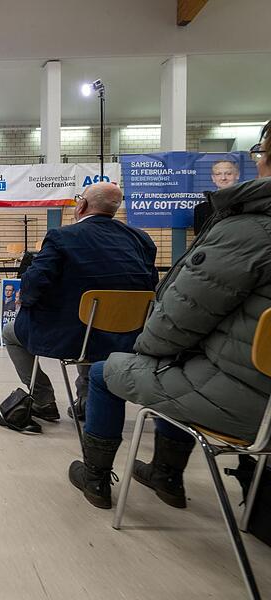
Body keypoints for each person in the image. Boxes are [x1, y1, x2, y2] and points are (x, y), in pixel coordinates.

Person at [68, 126, 271, 511]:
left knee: (108, 371)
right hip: (254, 387)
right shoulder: (141, 239)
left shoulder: (247, 231)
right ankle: (163, 473)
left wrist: (143, 348)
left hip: (247, 401)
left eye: (260, 151)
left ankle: (98, 479)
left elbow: (178, 321)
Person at [2, 182, 158, 423]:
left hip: (74, 332)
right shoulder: (141, 239)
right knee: (93, 328)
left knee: (11, 333)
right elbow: (150, 284)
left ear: (82, 205)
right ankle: (87, 401)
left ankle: (43, 400)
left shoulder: (62, 236)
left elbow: (35, 282)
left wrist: (28, 301)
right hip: (127, 335)